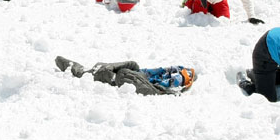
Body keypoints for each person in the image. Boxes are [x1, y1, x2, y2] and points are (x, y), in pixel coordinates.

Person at [55, 56, 196, 96]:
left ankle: (82, 72)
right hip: (137, 74)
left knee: (121, 75)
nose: (168, 75)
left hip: (125, 79)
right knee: (131, 66)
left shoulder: (161, 90)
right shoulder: (159, 74)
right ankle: (90, 71)